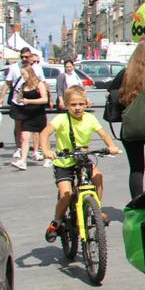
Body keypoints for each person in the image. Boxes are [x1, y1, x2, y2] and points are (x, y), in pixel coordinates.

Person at [40, 86, 121, 241]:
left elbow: (103, 134)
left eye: (80, 104)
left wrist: (111, 146)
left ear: (86, 103)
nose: (77, 108)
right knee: (67, 194)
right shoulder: (61, 119)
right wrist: (46, 150)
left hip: (82, 159)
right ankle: (56, 221)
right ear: (66, 105)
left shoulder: (90, 118)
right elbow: (45, 133)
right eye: (73, 105)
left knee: (98, 177)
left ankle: (97, 209)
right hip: (64, 162)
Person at [107, 40, 145, 199]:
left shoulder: (124, 74)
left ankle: (137, 205)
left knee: (136, 169)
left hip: (129, 127)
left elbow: (110, 94)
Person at [0, 48, 46, 155]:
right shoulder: (14, 67)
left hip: (32, 101)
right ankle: (18, 148)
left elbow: (43, 83)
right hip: (17, 101)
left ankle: (36, 150)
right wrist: (1, 97)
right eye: (22, 56)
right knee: (18, 125)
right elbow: (7, 83)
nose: (24, 59)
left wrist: (49, 98)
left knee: (35, 127)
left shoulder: (37, 69)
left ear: (31, 57)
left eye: (26, 57)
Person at [9, 66, 50, 170]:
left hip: (38, 114)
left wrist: (29, 101)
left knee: (43, 137)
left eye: (24, 74)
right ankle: (23, 161)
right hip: (26, 114)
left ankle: (47, 157)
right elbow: (19, 99)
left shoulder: (39, 84)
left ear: (30, 73)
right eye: (21, 74)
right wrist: (19, 98)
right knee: (24, 137)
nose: (23, 77)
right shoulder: (23, 85)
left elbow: (44, 99)